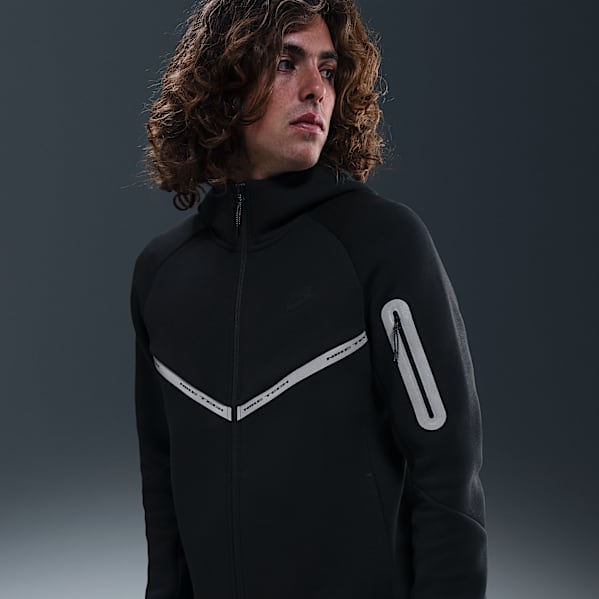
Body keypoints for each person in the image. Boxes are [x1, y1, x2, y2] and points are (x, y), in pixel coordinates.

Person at [130, 0, 487, 597]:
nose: (316, 89)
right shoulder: (162, 274)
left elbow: (449, 480)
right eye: (285, 62)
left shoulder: (381, 245)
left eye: (327, 69)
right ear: (224, 83)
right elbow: (163, 505)